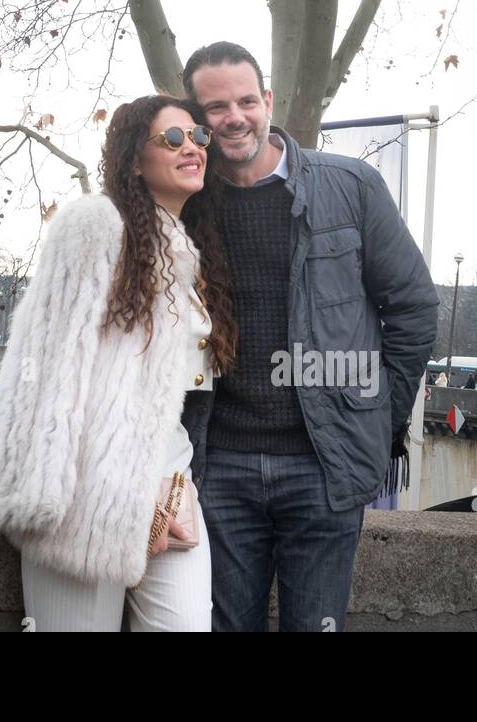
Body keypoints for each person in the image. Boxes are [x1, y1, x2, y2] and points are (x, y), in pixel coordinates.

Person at [181, 41, 438, 632]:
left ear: (267, 101)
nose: (235, 117)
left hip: (324, 468)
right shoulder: (186, 202)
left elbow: (414, 309)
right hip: (218, 467)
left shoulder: (351, 187)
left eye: (246, 100)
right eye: (216, 107)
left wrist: (377, 416)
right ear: (198, 120)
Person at [0, 95, 236, 631]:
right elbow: (44, 361)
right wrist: (37, 491)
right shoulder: (95, 226)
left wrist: (168, 480)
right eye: (174, 139)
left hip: (172, 489)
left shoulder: (194, 256)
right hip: (87, 496)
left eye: (199, 137)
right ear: (135, 160)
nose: (193, 148)